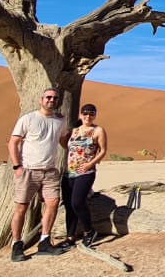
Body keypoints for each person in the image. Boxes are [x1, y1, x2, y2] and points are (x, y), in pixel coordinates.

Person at [7, 88, 72, 262]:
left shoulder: (60, 120)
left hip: (50, 171)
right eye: (48, 97)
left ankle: (44, 242)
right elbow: (13, 142)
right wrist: (17, 166)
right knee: (21, 207)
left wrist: (79, 138)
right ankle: (16, 245)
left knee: (53, 203)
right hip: (28, 170)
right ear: (41, 100)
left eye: (55, 98)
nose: (51, 100)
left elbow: (64, 141)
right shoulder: (28, 119)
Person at [62, 102, 108, 248]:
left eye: (91, 113)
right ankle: (70, 237)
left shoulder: (98, 130)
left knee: (77, 202)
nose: (88, 116)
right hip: (69, 173)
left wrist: (90, 164)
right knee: (69, 205)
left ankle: (89, 231)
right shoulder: (74, 130)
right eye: (85, 113)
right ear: (81, 115)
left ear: (95, 115)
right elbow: (65, 145)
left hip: (86, 172)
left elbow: (103, 151)